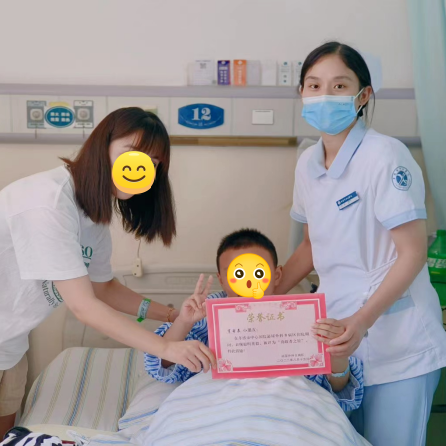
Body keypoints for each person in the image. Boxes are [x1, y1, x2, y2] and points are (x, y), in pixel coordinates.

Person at [0, 108, 215, 438]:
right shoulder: (48, 202)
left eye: (154, 162)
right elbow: (84, 306)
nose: (143, 168)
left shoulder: (92, 215)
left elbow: (104, 289)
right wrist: (165, 348)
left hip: (11, 344)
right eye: (133, 153)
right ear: (103, 146)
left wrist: (173, 316)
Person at [275, 41, 446, 446]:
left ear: (363, 95)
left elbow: (412, 253)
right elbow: (311, 246)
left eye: (339, 86)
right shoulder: (308, 163)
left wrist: (363, 320)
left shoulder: (385, 156)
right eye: (314, 85)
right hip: (338, 340)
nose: (324, 95)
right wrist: (263, 297)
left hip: (397, 342)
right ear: (301, 93)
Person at [145, 228, 364, 408]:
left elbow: (338, 390)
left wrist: (338, 354)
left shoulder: (302, 318)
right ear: (222, 279)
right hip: (216, 407)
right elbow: (161, 363)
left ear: (276, 275)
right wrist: (184, 321)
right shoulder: (205, 316)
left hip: (288, 408)